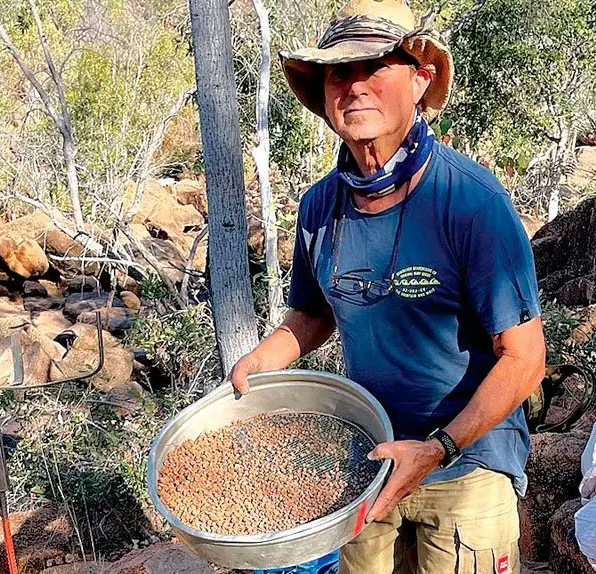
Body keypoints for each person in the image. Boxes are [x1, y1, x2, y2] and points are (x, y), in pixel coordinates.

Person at [227, 0, 546, 572]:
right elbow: (312, 315)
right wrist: (258, 361)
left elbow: (524, 360)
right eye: (338, 72)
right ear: (324, 94)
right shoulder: (320, 206)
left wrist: (437, 448)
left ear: (419, 80)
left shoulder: (471, 202)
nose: (354, 86)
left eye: (374, 66)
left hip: (465, 464)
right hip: (364, 461)